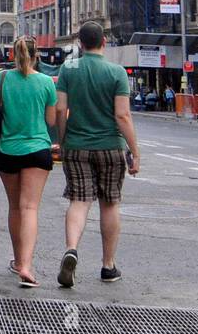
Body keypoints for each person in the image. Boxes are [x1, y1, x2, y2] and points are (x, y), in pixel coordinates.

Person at [55, 21, 141, 288]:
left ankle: (71, 248)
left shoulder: (68, 68)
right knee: (110, 203)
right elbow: (122, 115)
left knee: (79, 201)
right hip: (110, 147)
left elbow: (60, 110)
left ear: (80, 43)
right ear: (103, 42)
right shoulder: (116, 72)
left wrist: (63, 139)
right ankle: (108, 265)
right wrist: (135, 151)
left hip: (77, 146)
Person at [0, 37, 56, 288]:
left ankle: (17, 260)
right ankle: (26, 266)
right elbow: (50, 121)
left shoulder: (3, 79)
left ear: (13, 55)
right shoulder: (46, 82)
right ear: (36, 54)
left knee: (15, 207)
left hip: (7, 149)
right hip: (38, 149)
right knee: (30, 208)